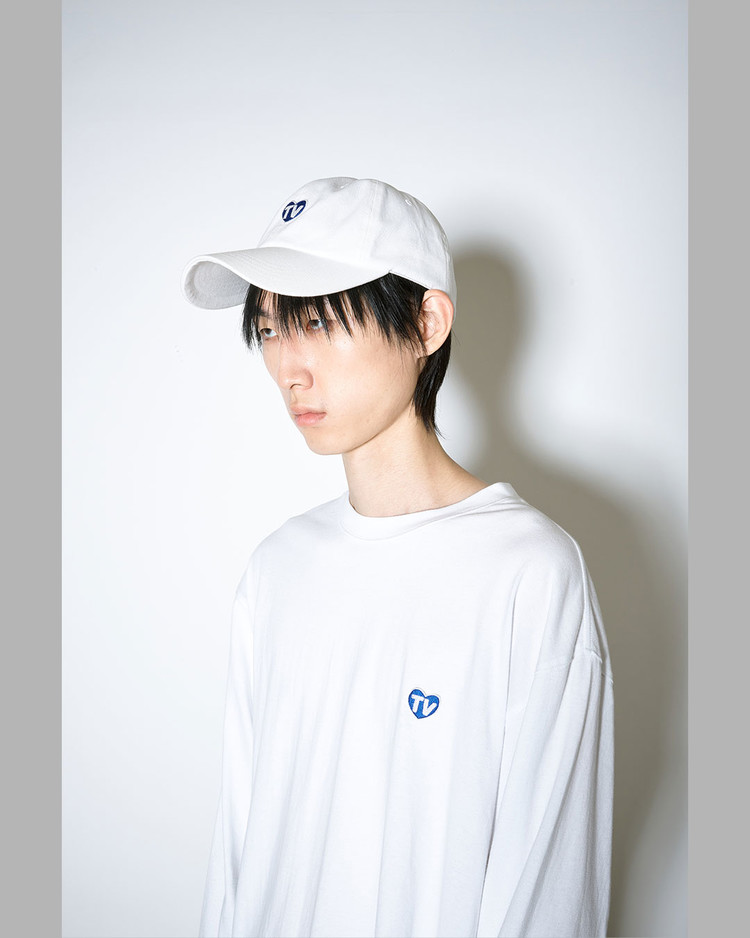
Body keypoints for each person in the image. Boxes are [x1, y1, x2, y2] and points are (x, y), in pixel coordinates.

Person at [182, 176, 614, 938]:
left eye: (319, 321)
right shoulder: (277, 571)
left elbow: (547, 891)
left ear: (426, 323)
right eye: (272, 327)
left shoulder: (529, 573)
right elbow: (239, 857)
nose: (289, 367)